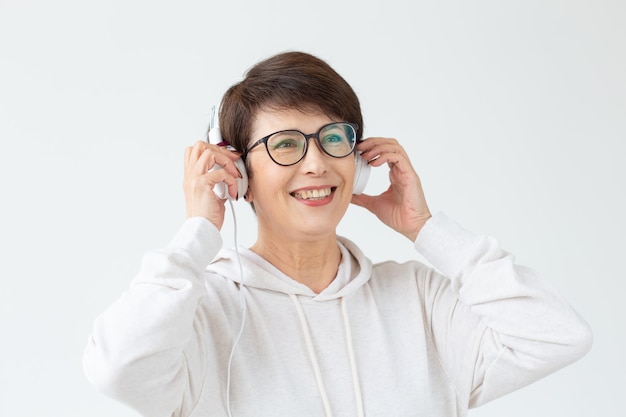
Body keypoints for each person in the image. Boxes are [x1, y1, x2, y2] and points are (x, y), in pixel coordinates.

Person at [83, 51, 592, 417]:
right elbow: (118, 369)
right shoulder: (202, 313)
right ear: (237, 174)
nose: (316, 164)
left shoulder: (418, 299)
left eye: (333, 139)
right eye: (285, 144)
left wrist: (427, 229)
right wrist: (198, 232)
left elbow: (559, 335)